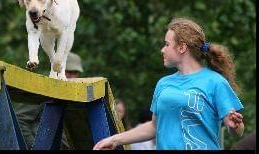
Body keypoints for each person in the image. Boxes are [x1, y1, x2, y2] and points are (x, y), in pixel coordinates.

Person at [93, 17, 244, 150]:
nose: (162, 50)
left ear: (182, 47)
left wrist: (236, 126)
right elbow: (153, 127)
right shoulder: (163, 84)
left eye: (166, 44)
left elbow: (236, 130)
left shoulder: (215, 82)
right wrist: (114, 139)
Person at [15, 52, 84, 149]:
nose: (72, 76)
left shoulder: (74, 95)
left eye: (75, 73)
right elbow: (19, 119)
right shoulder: (43, 89)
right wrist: (34, 147)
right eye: (68, 72)